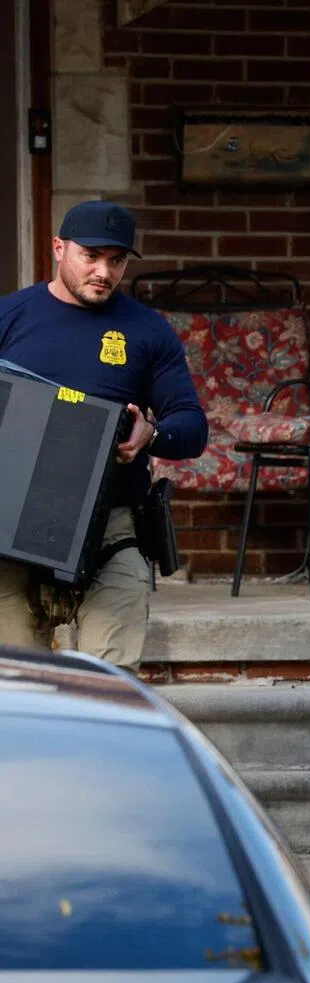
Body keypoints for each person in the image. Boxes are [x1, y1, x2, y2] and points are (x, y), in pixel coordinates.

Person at [0, 200, 207, 671]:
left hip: (110, 525)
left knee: (112, 687)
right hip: (12, 525)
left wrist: (151, 434)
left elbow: (192, 427)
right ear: (58, 248)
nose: (103, 271)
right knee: (15, 689)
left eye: (116, 261)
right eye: (90, 256)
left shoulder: (148, 330)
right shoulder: (9, 317)